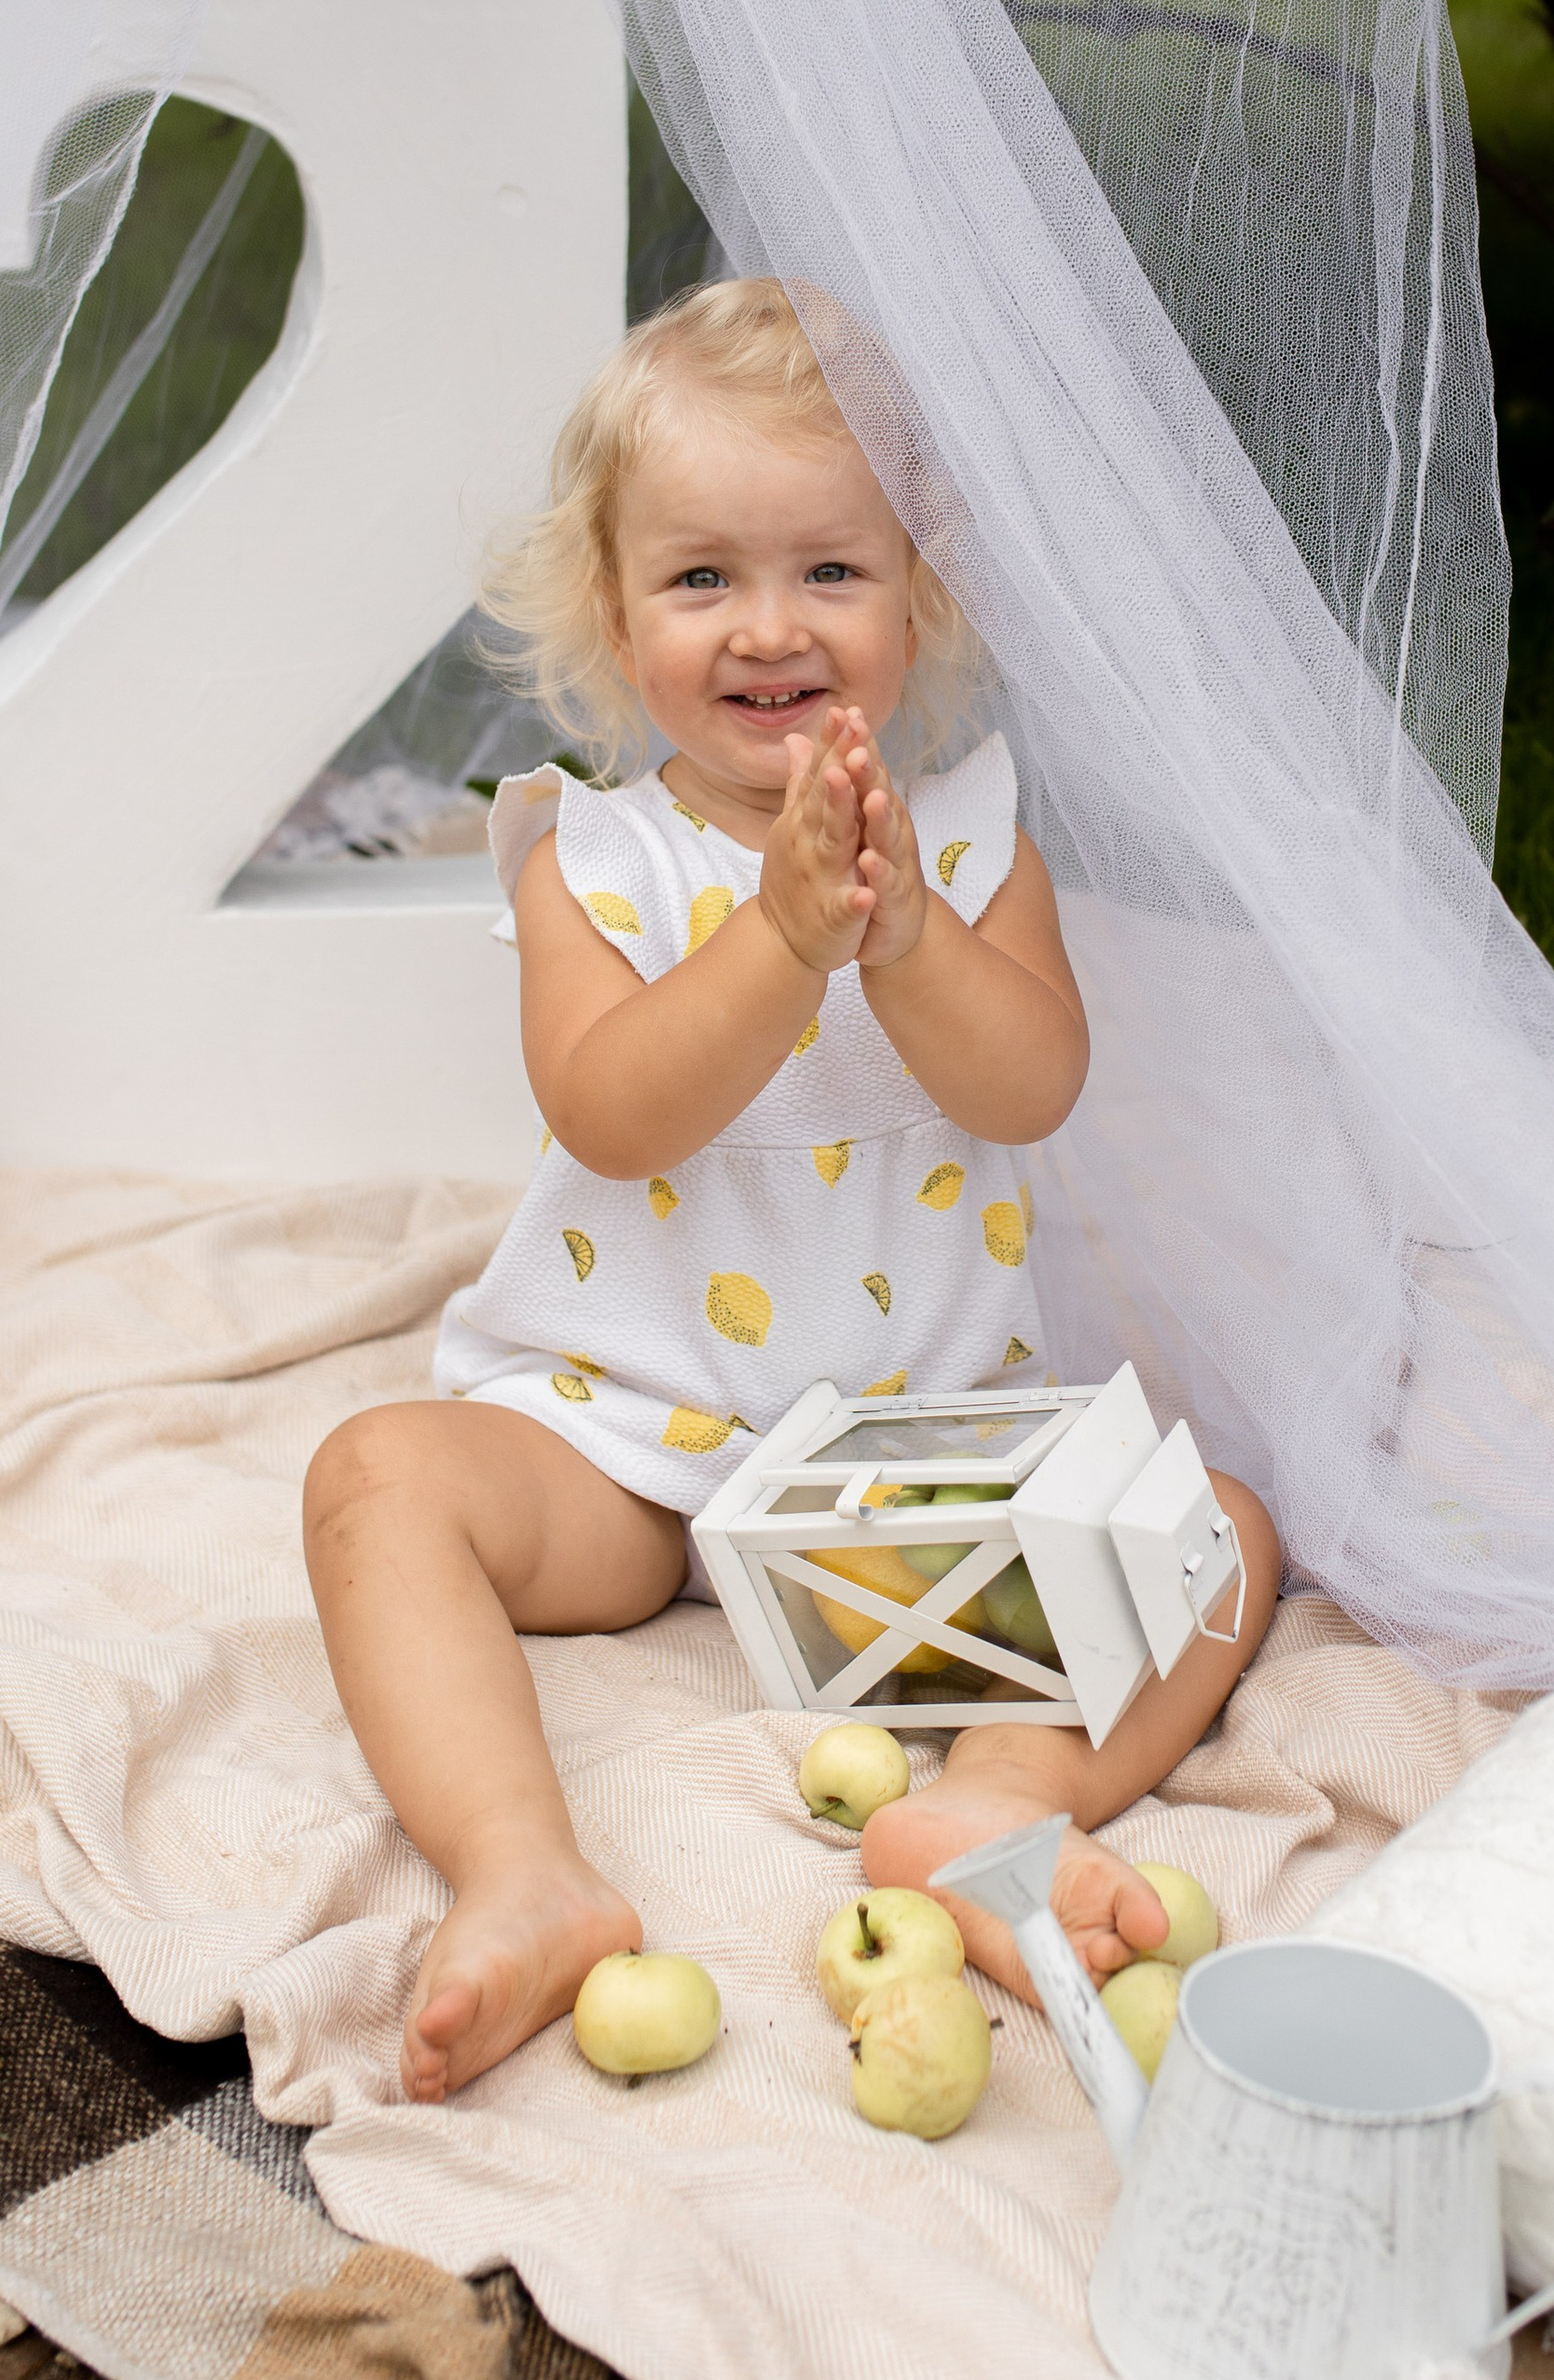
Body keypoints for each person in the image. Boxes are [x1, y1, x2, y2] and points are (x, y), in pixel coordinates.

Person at [304, 280, 1280, 2099]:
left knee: (1216, 1519)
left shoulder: (975, 840)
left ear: (923, 595)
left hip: (916, 1475)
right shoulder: (583, 854)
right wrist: (772, 939)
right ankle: (522, 1875)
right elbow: (611, 1112)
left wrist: (900, 933)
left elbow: (1030, 1080)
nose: (767, 628)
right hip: (633, 1453)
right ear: (612, 609)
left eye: (830, 570)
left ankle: (994, 1814)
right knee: (374, 1482)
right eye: (699, 581)